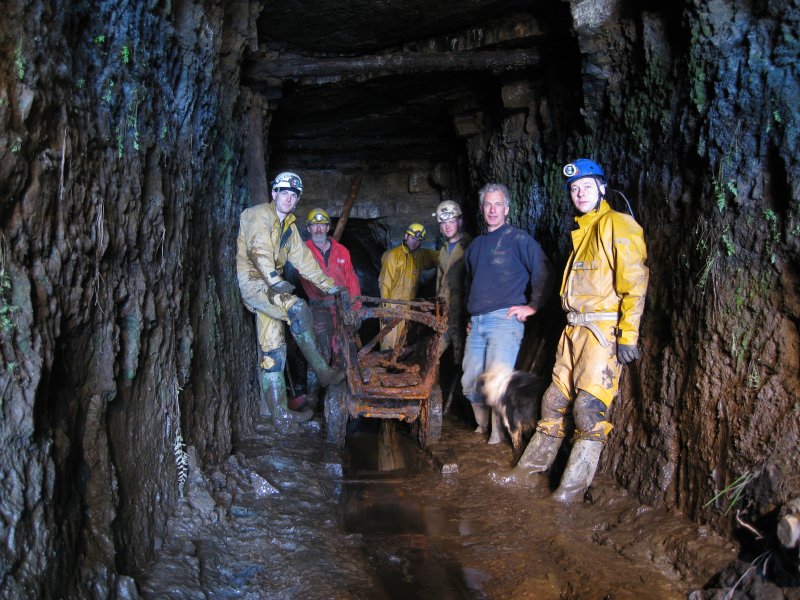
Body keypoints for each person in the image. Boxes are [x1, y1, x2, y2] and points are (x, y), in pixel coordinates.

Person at [503, 158, 649, 503]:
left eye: (586, 186)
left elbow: (636, 282)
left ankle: (568, 493)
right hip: (573, 332)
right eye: (574, 189)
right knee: (552, 401)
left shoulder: (618, 223)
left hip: (602, 332)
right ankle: (527, 473)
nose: (579, 193)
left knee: (587, 409)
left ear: (602, 187)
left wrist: (628, 335)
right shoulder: (582, 231)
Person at [236, 172, 346, 430]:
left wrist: (329, 285)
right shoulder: (259, 214)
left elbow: (304, 261)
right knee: (297, 308)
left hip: (271, 288)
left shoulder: (290, 228)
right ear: (274, 194)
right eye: (283, 192)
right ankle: (323, 371)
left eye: (293, 195)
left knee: (273, 350)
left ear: (297, 200)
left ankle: (280, 414)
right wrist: (274, 280)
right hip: (255, 282)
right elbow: (258, 251)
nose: (288, 198)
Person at [461, 182, 553, 445]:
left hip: (504, 320)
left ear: (507, 208)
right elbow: (471, 284)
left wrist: (533, 305)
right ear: (482, 208)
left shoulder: (518, 239)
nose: (492, 209)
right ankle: (482, 428)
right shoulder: (476, 246)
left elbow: (543, 270)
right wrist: (470, 317)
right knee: (470, 382)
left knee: (496, 380)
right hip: (477, 323)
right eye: (488, 204)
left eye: (498, 204)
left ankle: (498, 438)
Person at [300, 207, 362, 410]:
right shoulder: (302, 251)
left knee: (341, 352)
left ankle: (337, 402)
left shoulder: (342, 251)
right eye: (314, 225)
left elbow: (352, 281)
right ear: (309, 228)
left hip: (341, 309)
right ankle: (312, 398)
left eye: (322, 225)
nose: (318, 229)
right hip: (318, 310)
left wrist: (356, 309)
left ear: (328, 227)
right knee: (319, 353)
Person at [378, 223, 438, 350]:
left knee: (402, 345)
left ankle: (396, 368)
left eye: (418, 240)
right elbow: (384, 283)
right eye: (412, 238)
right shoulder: (393, 255)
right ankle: (382, 368)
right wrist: (387, 309)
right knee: (388, 346)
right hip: (392, 306)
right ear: (406, 236)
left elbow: (439, 257)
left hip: (408, 307)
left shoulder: (419, 256)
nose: (415, 242)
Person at [433, 200, 472, 364]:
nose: (447, 226)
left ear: (460, 221)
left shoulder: (471, 246)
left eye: (451, 221)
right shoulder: (442, 250)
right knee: (434, 352)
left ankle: (460, 389)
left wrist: (472, 316)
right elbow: (439, 282)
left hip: (462, 310)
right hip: (443, 310)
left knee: (463, 356)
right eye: (443, 223)